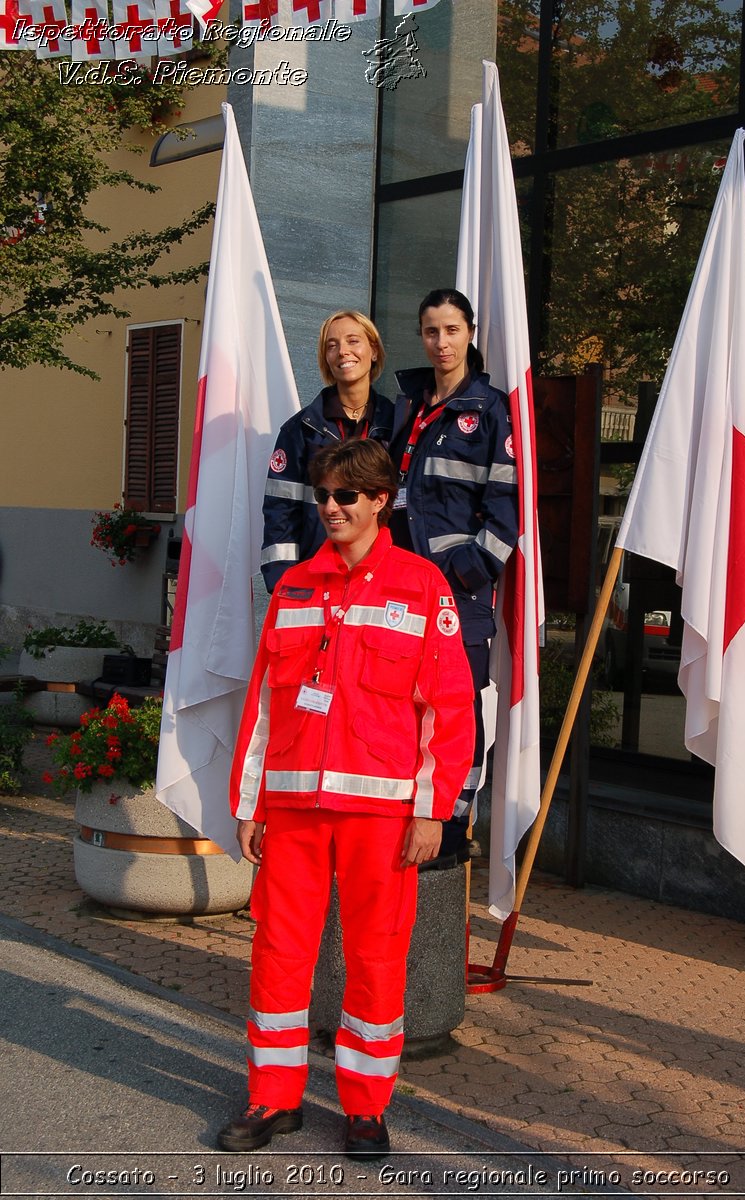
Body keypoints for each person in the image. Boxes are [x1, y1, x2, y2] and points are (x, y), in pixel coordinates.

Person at [219, 439, 475, 1159]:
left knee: (375, 957)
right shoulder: (295, 587)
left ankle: (365, 1106)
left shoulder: (423, 586)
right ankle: (273, 1097)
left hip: (383, 814)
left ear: (379, 501)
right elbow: (264, 710)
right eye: (324, 496)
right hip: (294, 810)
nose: (331, 507)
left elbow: (449, 710)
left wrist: (433, 809)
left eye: (346, 497)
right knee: (278, 951)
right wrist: (249, 804)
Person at [389, 288, 519, 862]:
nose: (440, 343)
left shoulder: (489, 411)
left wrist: (462, 577)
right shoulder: (406, 407)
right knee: (401, 701)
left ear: (470, 333)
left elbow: (506, 512)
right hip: (400, 588)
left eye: (450, 330)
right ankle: (409, 806)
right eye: (429, 331)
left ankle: (454, 816)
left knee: (457, 705)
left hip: (455, 596)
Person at [261, 310, 394, 593]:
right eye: (331, 345)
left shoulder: (397, 424)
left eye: (353, 340)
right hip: (317, 580)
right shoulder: (300, 430)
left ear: (373, 350)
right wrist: (286, 587)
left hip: (384, 582)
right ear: (326, 359)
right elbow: (280, 515)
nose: (343, 351)